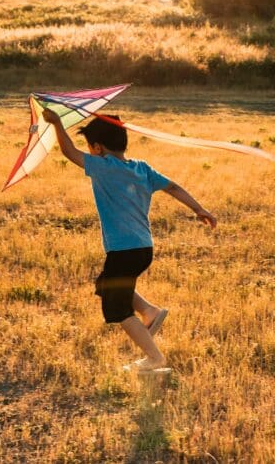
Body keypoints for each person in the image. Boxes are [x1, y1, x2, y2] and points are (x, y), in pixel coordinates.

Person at [41, 108, 217, 372]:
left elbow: (69, 152)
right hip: (143, 248)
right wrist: (199, 209)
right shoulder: (142, 168)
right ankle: (150, 312)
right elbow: (173, 187)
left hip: (123, 251)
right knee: (106, 284)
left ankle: (154, 357)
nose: (88, 152)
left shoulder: (102, 167)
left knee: (118, 308)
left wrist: (56, 123)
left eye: (89, 147)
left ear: (97, 148)